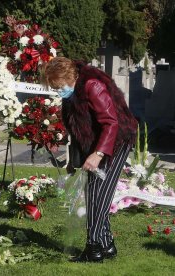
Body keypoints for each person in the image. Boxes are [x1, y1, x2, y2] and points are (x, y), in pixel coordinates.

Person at [43, 57, 138, 262]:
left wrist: (98, 154)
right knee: (94, 193)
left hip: (116, 141)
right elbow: (78, 130)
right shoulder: (73, 93)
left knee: (97, 197)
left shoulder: (92, 86)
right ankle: (106, 245)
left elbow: (110, 122)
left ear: (70, 77)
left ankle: (93, 249)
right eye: (54, 87)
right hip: (97, 143)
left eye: (59, 86)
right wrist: (74, 160)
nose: (58, 91)